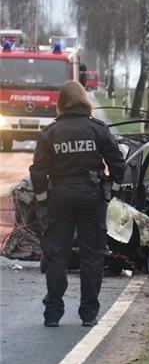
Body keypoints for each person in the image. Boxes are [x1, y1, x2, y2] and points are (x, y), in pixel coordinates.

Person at [29, 80, 126, 327]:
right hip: (91, 198)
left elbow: (38, 171)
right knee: (91, 256)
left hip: (59, 197)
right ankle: (88, 314)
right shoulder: (97, 129)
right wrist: (110, 189)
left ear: (60, 103)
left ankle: (52, 313)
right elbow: (118, 163)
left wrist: (42, 201)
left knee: (56, 256)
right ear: (84, 100)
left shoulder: (50, 132)